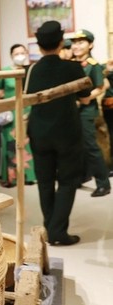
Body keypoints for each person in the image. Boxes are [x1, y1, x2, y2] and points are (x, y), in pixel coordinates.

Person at [26, 20, 90, 246]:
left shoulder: (31, 70)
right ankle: (58, 231)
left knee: (44, 181)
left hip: (39, 132)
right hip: (67, 132)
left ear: (38, 44)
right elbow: (84, 98)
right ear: (61, 40)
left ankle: (50, 226)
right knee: (67, 181)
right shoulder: (73, 68)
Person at [71, 29, 111, 197]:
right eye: (74, 42)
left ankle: (103, 183)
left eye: (81, 42)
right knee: (76, 146)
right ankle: (80, 176)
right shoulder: (72, 64)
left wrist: (86, 98)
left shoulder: (93, 65)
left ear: (90, 45)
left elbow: (102, 86)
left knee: (91, 146)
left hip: (86, 111)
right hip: (72, 111)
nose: (76, 46)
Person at [0, 44, 37, 187]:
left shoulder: (30, 71)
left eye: (23, 53)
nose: (20, 55)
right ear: (11, 55)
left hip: (28, 111)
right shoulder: (5, 72)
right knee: (10, 143)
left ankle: (28, 176)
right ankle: (11, 177)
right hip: (10, 113)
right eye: (17, 53)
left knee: (27, 143)